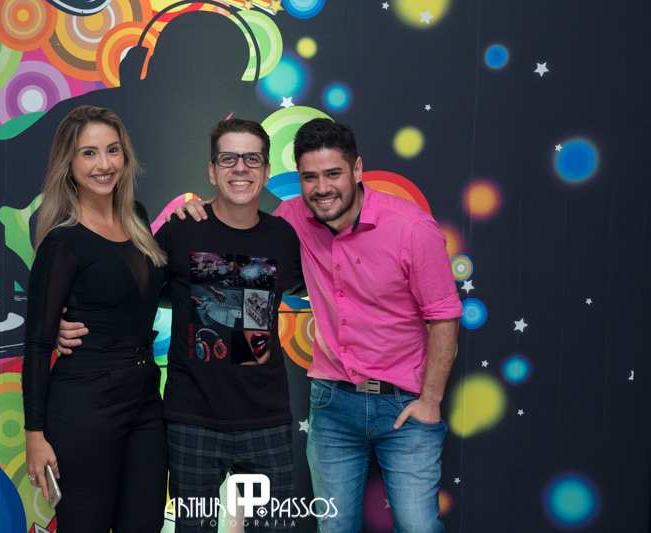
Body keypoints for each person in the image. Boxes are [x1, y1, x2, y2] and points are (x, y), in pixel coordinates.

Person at [172, 118, 462, 532]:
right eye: (310, 177)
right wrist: (199, 209)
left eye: (333, 174)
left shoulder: (411, 228)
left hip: (404, 404)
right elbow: (237, 231)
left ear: (357, 169)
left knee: (418, 526)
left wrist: (431, 400)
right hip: (332, 405)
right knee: (334, 527)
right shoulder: (291, 219)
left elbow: (444, 313)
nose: (322, 188)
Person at [58, 119, 304, 532]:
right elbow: (127, 292)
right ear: (211, 170)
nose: (240, 168)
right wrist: (64, 320)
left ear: (265, 171)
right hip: (192, 422)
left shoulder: (285, 237)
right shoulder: (181, 230)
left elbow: (336, 288)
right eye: (228, 158)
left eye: (252, 159)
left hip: (266, 420)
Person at [22, 105, 168, 532]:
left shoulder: (137, 217)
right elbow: (37, 345)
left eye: (112, 150)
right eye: (89, 153)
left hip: (146, 400)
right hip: (85, 406)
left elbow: (142, 294)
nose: (104, 164)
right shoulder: (63, 241)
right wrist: (35, 436)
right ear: (68, 164)